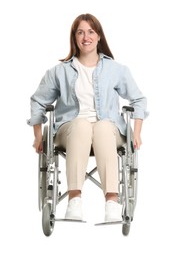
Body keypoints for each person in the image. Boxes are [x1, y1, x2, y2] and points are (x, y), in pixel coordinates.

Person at [28, 13, 148, 222]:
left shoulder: (115, 69)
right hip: (70, 130)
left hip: (108, 130)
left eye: (91, 31)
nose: (86, 37)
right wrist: (38, 136)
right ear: (74, 37)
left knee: (101, 127)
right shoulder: (59, 71)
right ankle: (74, 200)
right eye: (80, 32)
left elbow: (138, 99)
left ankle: (112, 202)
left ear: (99, 36)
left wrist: (136, 133)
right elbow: (38, 101)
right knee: (82, 125)